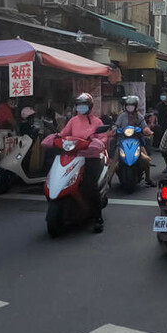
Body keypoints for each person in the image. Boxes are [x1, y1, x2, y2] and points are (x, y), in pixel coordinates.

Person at [57, 93, 109, 233]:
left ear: (90, 107)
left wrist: (97, 143)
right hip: (73, 156)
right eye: (79, 105)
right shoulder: (73, 120)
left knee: (90, 185)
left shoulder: (97, 122)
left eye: (84, 105)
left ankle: (98, 219)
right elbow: (63, 133)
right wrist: (55, 137)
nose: (81, 107)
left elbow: (103, 138)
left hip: (91, 157)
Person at [107, 96, 154, 188]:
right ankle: (108, 180)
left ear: (135, 106)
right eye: (128, 105)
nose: (130, 107)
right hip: (122, 140)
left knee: (146, 160)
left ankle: (148, 179)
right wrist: (114, 129)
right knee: (115, 157)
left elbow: (144, 127)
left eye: (132, 105)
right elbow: (116, 125)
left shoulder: (139, 116)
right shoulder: (122, 116)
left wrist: (147, 130)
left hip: (137, 141)